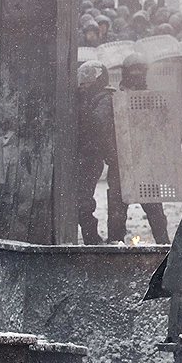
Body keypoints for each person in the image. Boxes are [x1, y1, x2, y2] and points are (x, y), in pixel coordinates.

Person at [113, 53, 171, 244]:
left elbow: (163, 128)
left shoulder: (153, 98)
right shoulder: (116, 98)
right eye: (133, 72)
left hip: (146, 162)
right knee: (117, 214)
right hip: (121, 163)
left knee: (155, 213)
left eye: (140, 71)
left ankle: (164, 247)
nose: (137, 75)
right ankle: (114, 248)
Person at [76, 61, 114, 244]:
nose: (84, 83)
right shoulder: (86, 99)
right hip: (80, 155)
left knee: (83, 199)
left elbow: (98, 125)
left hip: (91, 157)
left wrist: (81, 109)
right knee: (80, 198)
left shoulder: (104, 99)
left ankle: (91, 238)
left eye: (89, 78)